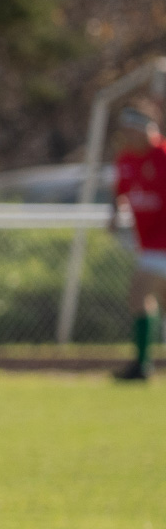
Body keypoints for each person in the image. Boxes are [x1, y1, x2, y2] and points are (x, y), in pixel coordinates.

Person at [112, 106, 166, 382]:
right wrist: (113, 214)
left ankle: (141, 366)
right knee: (157, 300)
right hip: (148, 244)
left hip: (163, 243)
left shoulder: (163, 156)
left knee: (138, 293)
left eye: (131, 130)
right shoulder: (126, 159)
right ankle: (143, 364)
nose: (126, 136)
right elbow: (119, 191)